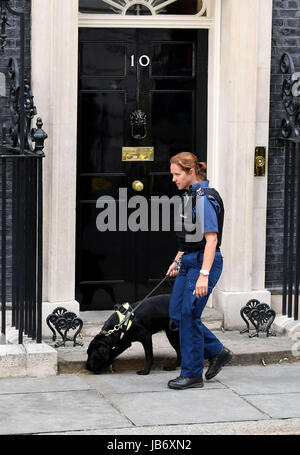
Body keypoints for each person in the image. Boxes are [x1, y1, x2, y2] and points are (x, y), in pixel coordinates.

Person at [166, 152, 233, 390]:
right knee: (176, 313)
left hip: (205, 263)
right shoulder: (188, 197)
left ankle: (192, 374)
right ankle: (217, 351)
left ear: (191, 172)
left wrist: (204, 275)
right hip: (189, 261)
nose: (173, 179)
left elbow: (211, 240)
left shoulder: (204, 199)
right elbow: (189, 238)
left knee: (189, 315)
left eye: (177, 174)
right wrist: (177, 259)